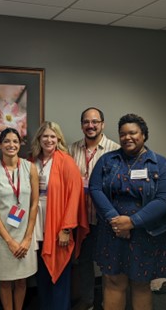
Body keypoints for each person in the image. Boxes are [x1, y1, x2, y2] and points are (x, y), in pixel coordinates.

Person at [89, 113, 166, 310]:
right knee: (113, 281)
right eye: (122, 134)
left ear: (144, 135)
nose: (127, 137)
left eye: (133, 133)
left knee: (141, 283)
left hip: (146, 233)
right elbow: (95, 189)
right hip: (113, 232)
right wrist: (116, 221)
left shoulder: (160, 164)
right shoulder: (107, 160)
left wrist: (132, 222)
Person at [30, 121, 89, 310]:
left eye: (53, 136)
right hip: (35, 225)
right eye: (45, 136)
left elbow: (75, 197)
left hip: (57, 225)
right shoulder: (31, 160)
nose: (49, 140)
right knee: (42, 275)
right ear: (39, 138)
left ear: (58, 139)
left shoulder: (66, 161)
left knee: (60, 276)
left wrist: (66, 229)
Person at [69, 107, 120, 310]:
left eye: (95, 122)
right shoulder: (72, 149)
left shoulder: (115, 150)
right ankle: (87, 302)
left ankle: (110, 303)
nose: (90, 126)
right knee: (83, 263)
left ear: (102, 124)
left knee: (109, 264)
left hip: (106, 219)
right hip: (82, 217)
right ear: (82, 125)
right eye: (86, 122)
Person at [0, 128, 39, 310]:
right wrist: (9, 241)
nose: (11, 145)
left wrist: (28, 238)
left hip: (25, 233)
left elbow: (34, 203)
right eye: (6, 141)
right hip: (2, 236)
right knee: (5, 282)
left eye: (15, 141)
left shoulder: (30, 168)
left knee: (23, 281)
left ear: (20, 144)